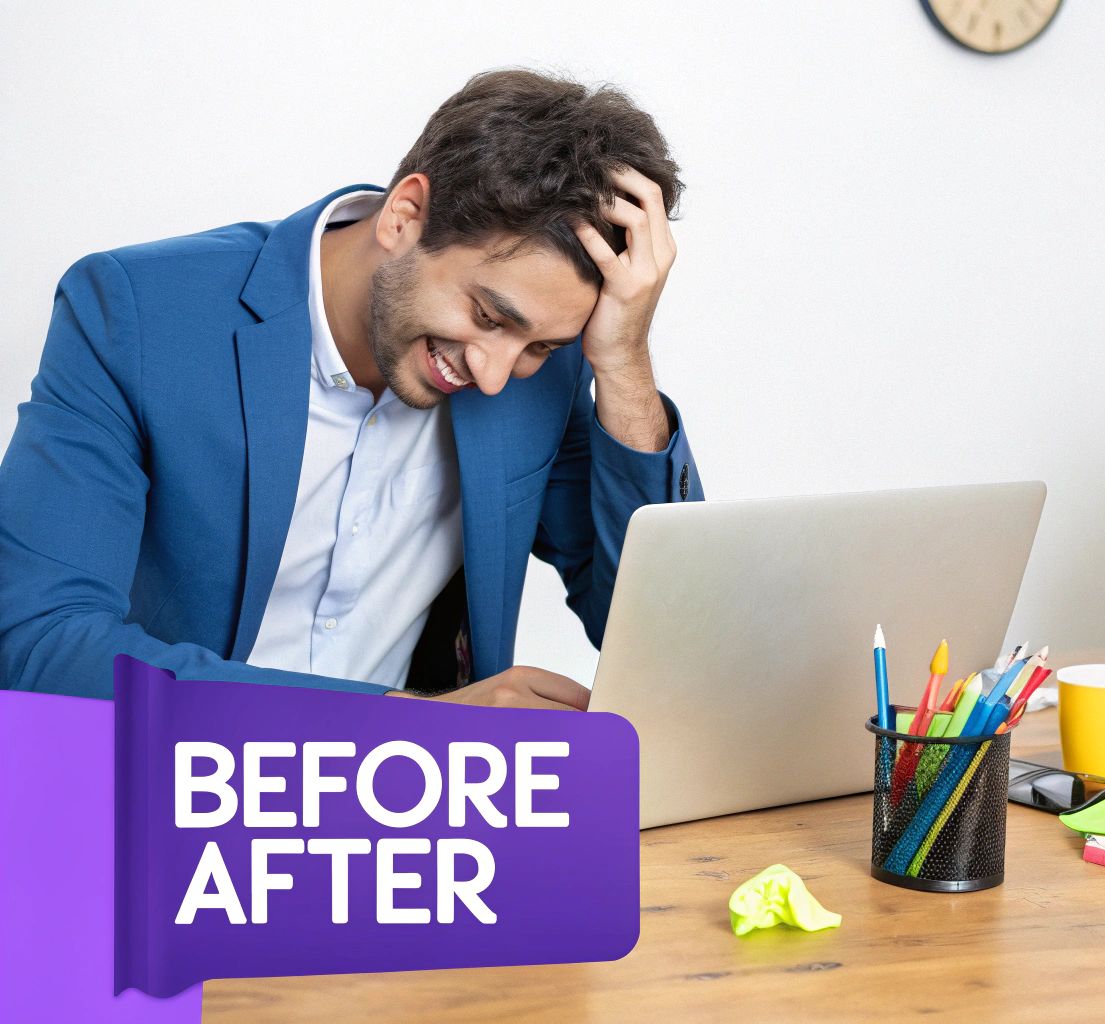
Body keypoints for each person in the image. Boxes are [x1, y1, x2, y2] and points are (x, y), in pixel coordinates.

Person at [0, 69, 699, 709]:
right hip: (168, 796)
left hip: (413, 824)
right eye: (487, 316)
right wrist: (405, 726)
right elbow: (40, 645)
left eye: (540, 345)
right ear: (404, 216)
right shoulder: (137, 313)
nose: (493, 374)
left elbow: (666, 643)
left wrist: (624, 360)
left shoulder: (536, 365)